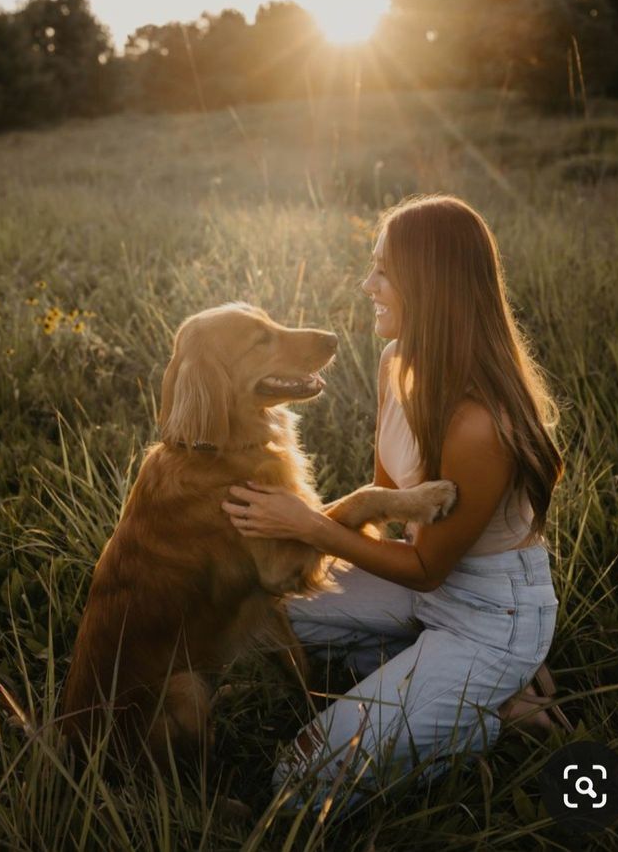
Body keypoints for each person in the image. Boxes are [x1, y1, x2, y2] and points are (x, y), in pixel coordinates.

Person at [221, 194, 570, 814]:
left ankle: (495, 712)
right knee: (258, 616)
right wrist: (312, 535)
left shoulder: (478, 423)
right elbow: (393, 520)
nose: (367, 284)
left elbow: (427, 567)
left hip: (494, 613)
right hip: (418, 583)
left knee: (300, 780)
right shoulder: (395, 363)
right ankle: (439, 675)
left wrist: (307, 525)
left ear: (429, 285)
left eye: (383, 271)